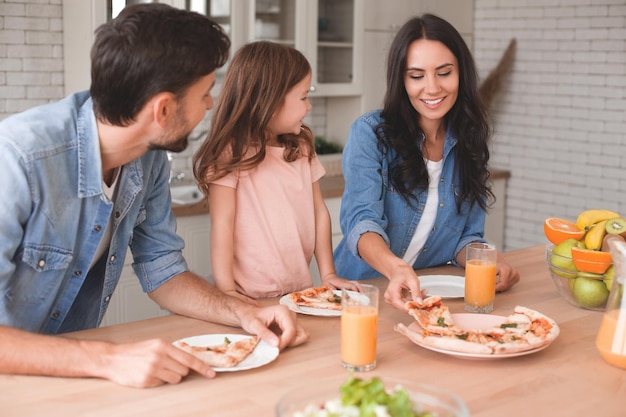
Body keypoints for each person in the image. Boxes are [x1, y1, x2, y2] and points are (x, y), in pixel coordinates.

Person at [0, 4, 308, 388]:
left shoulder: (148, 160)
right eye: (205, 93)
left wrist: (242, 312)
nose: (211, 104)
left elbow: (163, 270)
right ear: (163, 108)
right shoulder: (17, 161)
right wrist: (109, 357)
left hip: (71, 374)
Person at [333, 14, 520, 312]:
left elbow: (466, 238)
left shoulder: (469, 138)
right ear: (401, 80)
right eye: (417, 76)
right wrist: (395, 268)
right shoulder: (370, 133)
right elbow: (361, 223)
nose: (432, 89)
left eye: (444, 73)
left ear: (461, 73)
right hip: (363, 295)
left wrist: (487, 258)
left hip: (428, 297)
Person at [193, 41, 359, 303]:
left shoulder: (301, 147)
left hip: (297, 291)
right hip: (249, 296)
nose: (309, 107)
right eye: (303, 97)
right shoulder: (231, 153)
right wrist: (227, 293)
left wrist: (328, 273)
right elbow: (222, 224)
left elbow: (318, 212)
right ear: (268, 100)